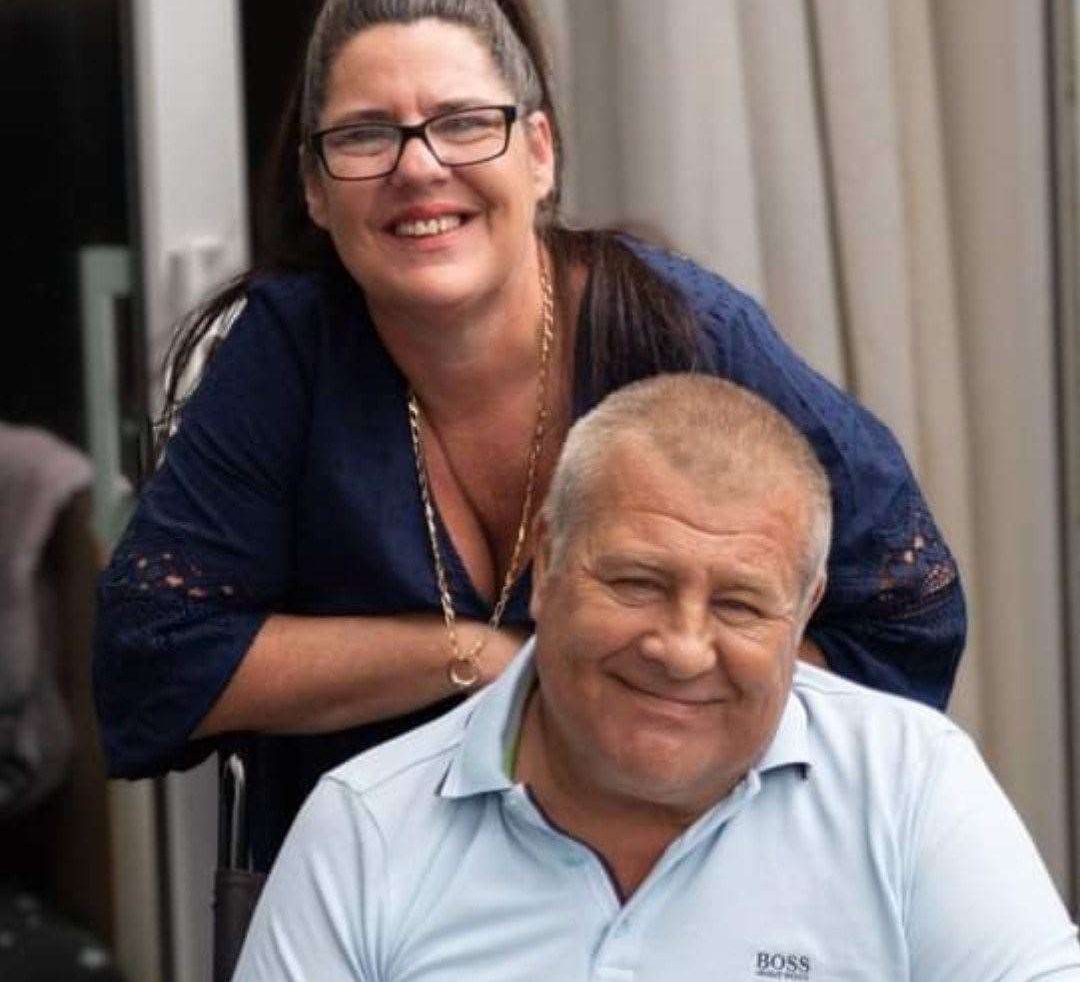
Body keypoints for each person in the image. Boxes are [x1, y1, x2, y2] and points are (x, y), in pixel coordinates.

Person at [92, 0, 965, 871]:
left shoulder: (680, 330)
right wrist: (476, 654)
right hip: (376, 903)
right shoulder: (289, 353)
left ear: (539, 153)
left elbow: (905, 608)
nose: (418, 166)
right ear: (316, 190)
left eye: (465, 121)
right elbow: (153, 658)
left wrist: (663, 717)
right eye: (365, 135)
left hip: (680, 881)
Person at [234, 375, 1078, 982]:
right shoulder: (367, 829)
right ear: (547, 563)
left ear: (807, 605)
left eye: (742, 604)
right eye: (637, 583)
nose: (680, 648)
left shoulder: (909, 784)